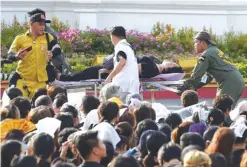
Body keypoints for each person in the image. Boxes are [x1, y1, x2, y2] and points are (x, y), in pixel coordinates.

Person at [178, 31, 245, 108]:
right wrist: (196, 85)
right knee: (227, 109)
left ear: (203, 43)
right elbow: (208, 77)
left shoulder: (207, 54)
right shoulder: (215, 51)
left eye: (196, 42)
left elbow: (197, 74)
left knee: (220, 109)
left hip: (229, 83)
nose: (194, 45)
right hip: (236, 82)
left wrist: (188, 85)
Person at [7, 13, 61, 98]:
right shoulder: (20, 39)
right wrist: (16, 56)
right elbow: (10, 55)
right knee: (19, 105)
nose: (43, 26)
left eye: (44, 24)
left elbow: (57, 48)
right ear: (31, 24)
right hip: (23, 81)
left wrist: (52, 53)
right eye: (40, 24)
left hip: (40, 83)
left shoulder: (48, 36)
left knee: (41, 108)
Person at [104, 26, 140, 101]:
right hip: (132, 86)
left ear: (113, 36)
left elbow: (122, 62)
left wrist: (109, 77)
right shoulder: (129, 47)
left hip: (123, 87)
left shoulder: (120, 46)